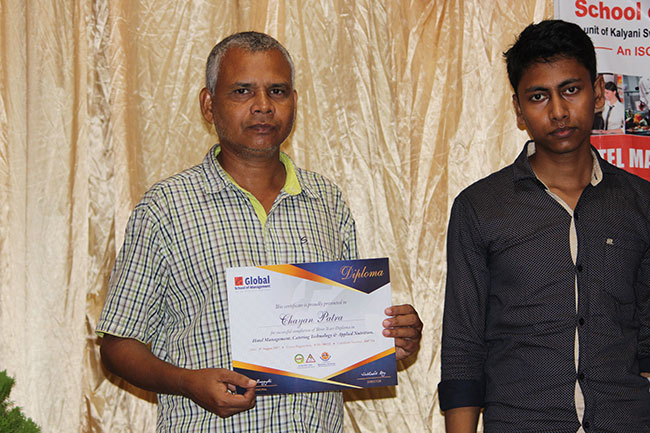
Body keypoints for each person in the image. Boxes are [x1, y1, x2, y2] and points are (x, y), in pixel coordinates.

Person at [97, 31, 423, 432]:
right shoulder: (166, 207)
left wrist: (389, 338)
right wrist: (187, 382)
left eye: (277, 91)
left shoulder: (327, 201)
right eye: (242, 91)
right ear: (208, 105)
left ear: (294, 102)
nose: (263, 105)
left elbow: (341, 336)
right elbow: (117, 345)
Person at [438, 20, 650, 432]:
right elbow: (463, 347)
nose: (558, 111)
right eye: (538, 96)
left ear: (598, 93)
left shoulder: (640, 204)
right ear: (519, 110)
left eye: (570, 90)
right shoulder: (480, 207)